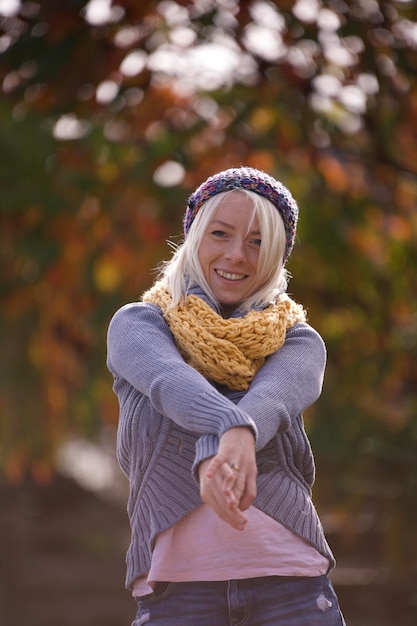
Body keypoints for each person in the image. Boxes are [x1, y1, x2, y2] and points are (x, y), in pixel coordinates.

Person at [107, 167, 346, 626]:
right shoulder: (138, 326)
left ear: (277, 254)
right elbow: (169, 381)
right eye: (221, 233)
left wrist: (234, 436)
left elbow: (271, 401)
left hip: (293, 591)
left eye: (257, 242)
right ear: (195, 236)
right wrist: (229, 427)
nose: (237, 255)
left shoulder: (298, 341)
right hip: (177, 597)